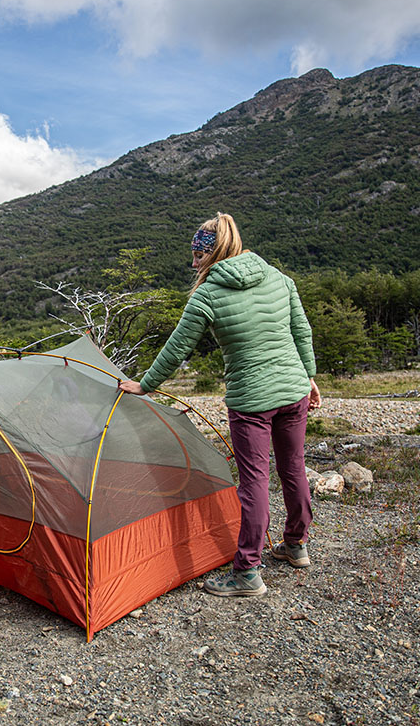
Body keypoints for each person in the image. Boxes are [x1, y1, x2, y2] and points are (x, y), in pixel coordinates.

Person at [119, 213, 320, 597]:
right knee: (293, 468)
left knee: (255, 481)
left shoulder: (208, 294)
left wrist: (144, 386)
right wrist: (309, 377)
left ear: (211, 253)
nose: (193, 263)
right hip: (294, 389)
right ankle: (296, 545)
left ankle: (247, 572)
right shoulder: (278, 277)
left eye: (197, 255)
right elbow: (301, 330)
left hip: (252, 400)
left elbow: (177, 347)